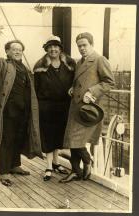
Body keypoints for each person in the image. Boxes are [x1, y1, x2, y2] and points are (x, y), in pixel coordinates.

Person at [0, 26, 42, 186]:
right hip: (7, 111)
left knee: (18, 138)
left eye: (20, 49)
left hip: (23, 111)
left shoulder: (25, 69)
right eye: (14, 49)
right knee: (6, 140)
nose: (17, 52)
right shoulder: (1, 64)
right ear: (7, 52)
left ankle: (14, 165)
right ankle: (4, 172)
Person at [59, 32, 115, 183]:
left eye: (84, 45)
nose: (82, 48)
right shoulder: (79, 62)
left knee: (74, 139)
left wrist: (92, 92)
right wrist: (73, 87)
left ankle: (87, 160)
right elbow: (80, 80)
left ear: (91, 44)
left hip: (88, 108)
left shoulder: (99, 59)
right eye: (79, 46)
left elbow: (109, 82)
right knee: (72, 139)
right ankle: (76, 170)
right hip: (76, 106)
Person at [33, 35, 76, 181]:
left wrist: (73, 87)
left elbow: (75, 81)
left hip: (64, 106)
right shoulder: (40, 66)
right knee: (48, 136)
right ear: (46, 49)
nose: (53, 49)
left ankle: (56, 163)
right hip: (46, 106)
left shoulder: (70, 64)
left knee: (58, 135)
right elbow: (35, 88)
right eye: (50, 47)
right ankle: (49, 166)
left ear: (60, 49)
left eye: (56, 46)